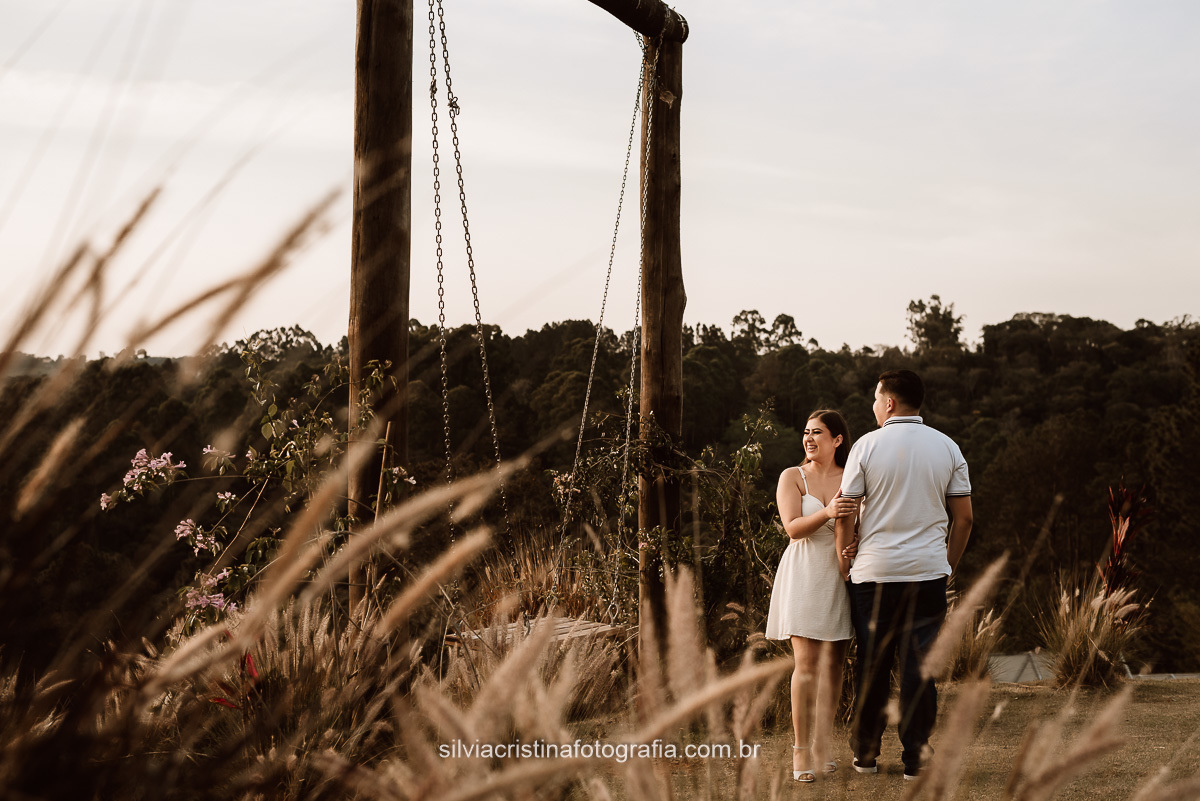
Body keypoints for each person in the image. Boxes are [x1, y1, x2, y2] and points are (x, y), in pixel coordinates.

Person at [834, 370, 973, 781]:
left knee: (873, 665)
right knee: (920, 666)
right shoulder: (948, 447)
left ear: (889, 402)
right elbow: (963, 520)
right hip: (927, 574)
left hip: (874, 575)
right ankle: (916, 758)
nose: (874, 408)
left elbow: (846, 511)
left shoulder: (866, 446)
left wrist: (845, 564)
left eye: (876, 400)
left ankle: (865, 755)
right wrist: (947, 564)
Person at [765, 409, 858, 783]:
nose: (809, 438)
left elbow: (855, 526)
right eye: (806, 432)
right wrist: (829, 512)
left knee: (835, 664)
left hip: (840, 575)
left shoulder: (851, 477)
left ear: (837, 440)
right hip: (803, 572)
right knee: (806, 665)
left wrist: (852, 549)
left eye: (817, 432)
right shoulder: (792, 476)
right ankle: (800, 750)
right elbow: (792, 528)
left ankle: (823, 743)